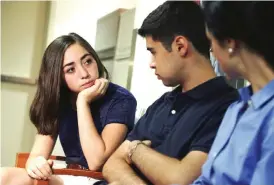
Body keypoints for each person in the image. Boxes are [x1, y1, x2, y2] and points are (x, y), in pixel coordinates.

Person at [102, 1, 239, 185]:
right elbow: (111, 164)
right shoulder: (163, 103)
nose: (151, 63)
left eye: (153, 52)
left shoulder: (226, 107)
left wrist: (135, 149)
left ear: (180, 46)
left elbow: (180, 179)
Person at [1, 33, 137, 185]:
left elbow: (96, 162)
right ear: (58, 77)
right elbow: (37, 154)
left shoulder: (121, 99)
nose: (85, 74)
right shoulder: (59, 100)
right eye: (70, 70)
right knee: (4, 176)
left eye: (87, 61)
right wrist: (36, 163)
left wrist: (82, 102)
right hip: (73, 175)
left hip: (107, 180)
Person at [192, 1, 274, 185]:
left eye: (211, 41)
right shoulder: (236, 109)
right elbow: (206, 180)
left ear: (229, 43)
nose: (211, 51)